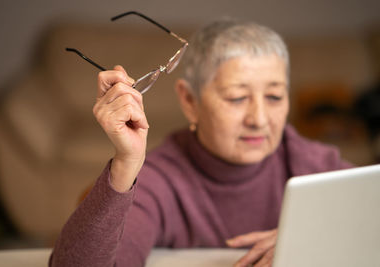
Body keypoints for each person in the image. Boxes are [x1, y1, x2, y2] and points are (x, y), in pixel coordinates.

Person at [49, 19, 351, 267]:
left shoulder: (315, 164)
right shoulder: (159, 179)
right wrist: (126, 163)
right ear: (190, 101)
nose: (259, 119)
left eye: (274, 96)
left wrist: (316, 235)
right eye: (237, 97)